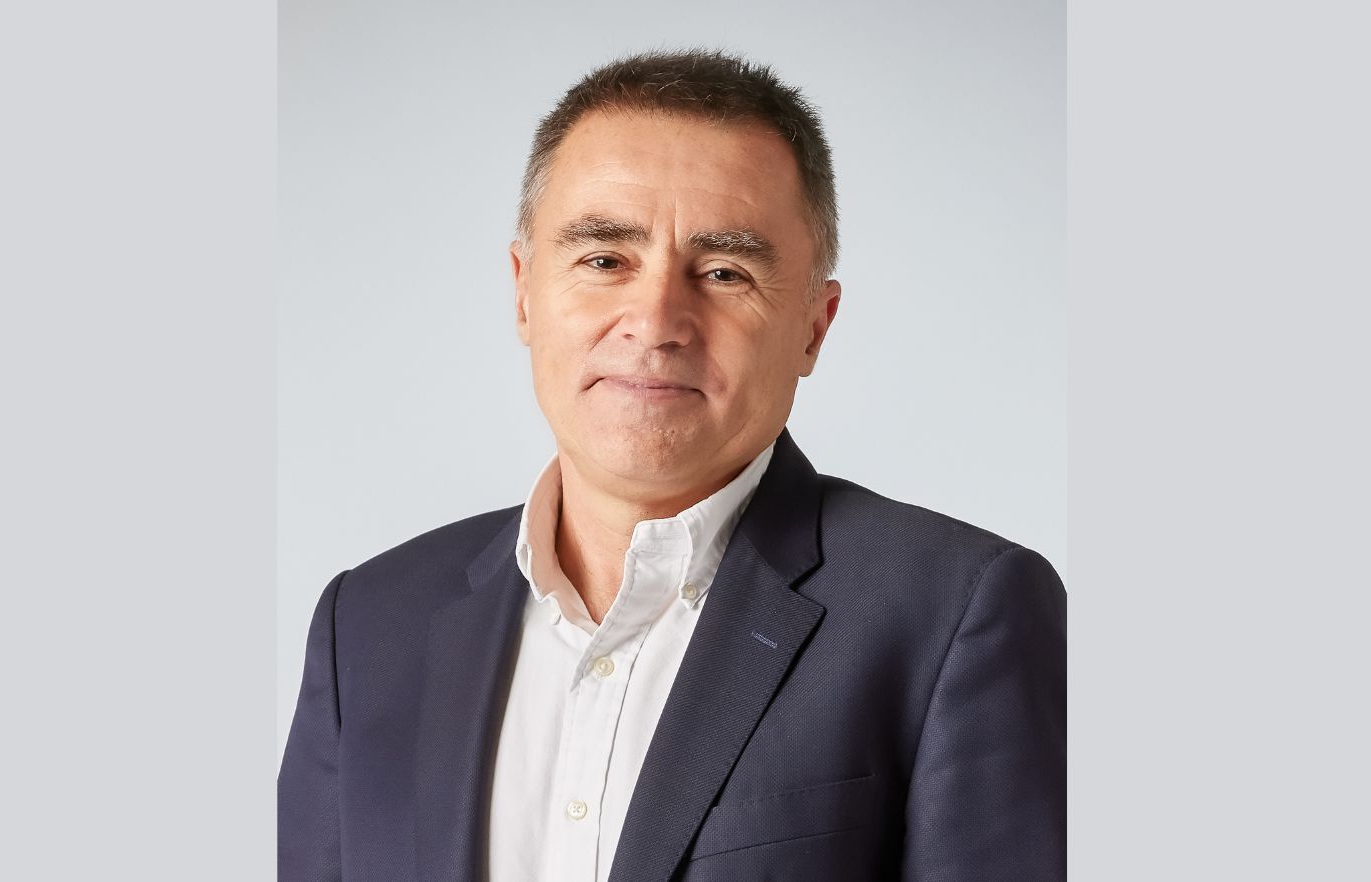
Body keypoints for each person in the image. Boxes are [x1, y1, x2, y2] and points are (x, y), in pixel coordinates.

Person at [279, 48, 1065, 882]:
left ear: (814, 326)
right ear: (523, 291)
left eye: (725, 272)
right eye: (604, 261)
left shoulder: (956, 615)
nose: (655, 322)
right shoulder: (368, 623)